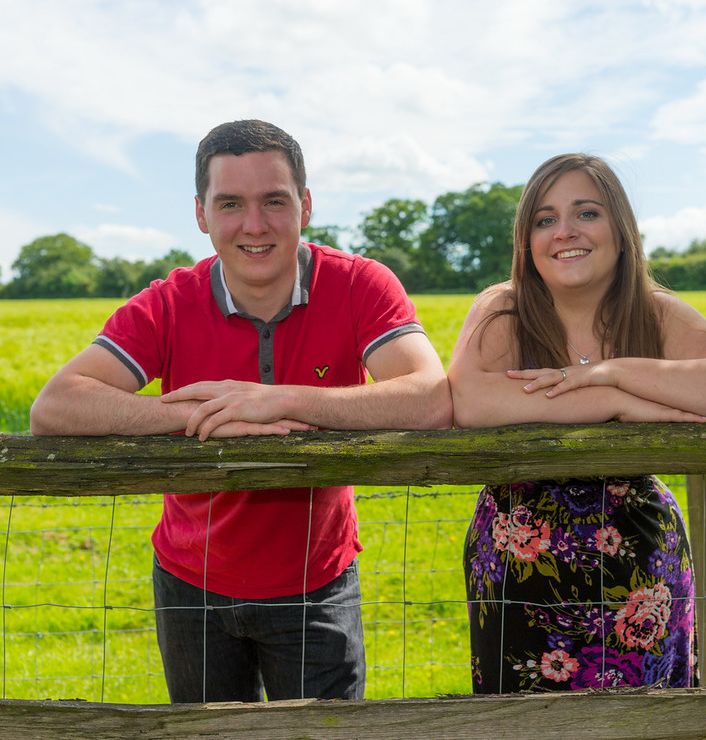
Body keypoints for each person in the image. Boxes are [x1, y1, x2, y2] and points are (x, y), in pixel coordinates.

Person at [30, 119, 452, 704]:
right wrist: (197, 413)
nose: (254, 225)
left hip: (317, 582)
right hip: (190, 582)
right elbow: (54, 407)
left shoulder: (359, 285)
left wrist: (283, 399)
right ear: (201, 214)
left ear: (305, 205)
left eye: (274, 201)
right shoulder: (168, 302)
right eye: (230, 203)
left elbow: (431, 396)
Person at [447, 153, 706, 694]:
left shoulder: (656, 313)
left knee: (650, 721)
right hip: (519, 562)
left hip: (641, 562)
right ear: (526, 240)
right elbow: (467, 401)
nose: (565, 233)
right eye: (545, 219)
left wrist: (615, 372)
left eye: (587, 213)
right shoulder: (504, 309)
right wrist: (614, 403)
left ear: (620, 231)